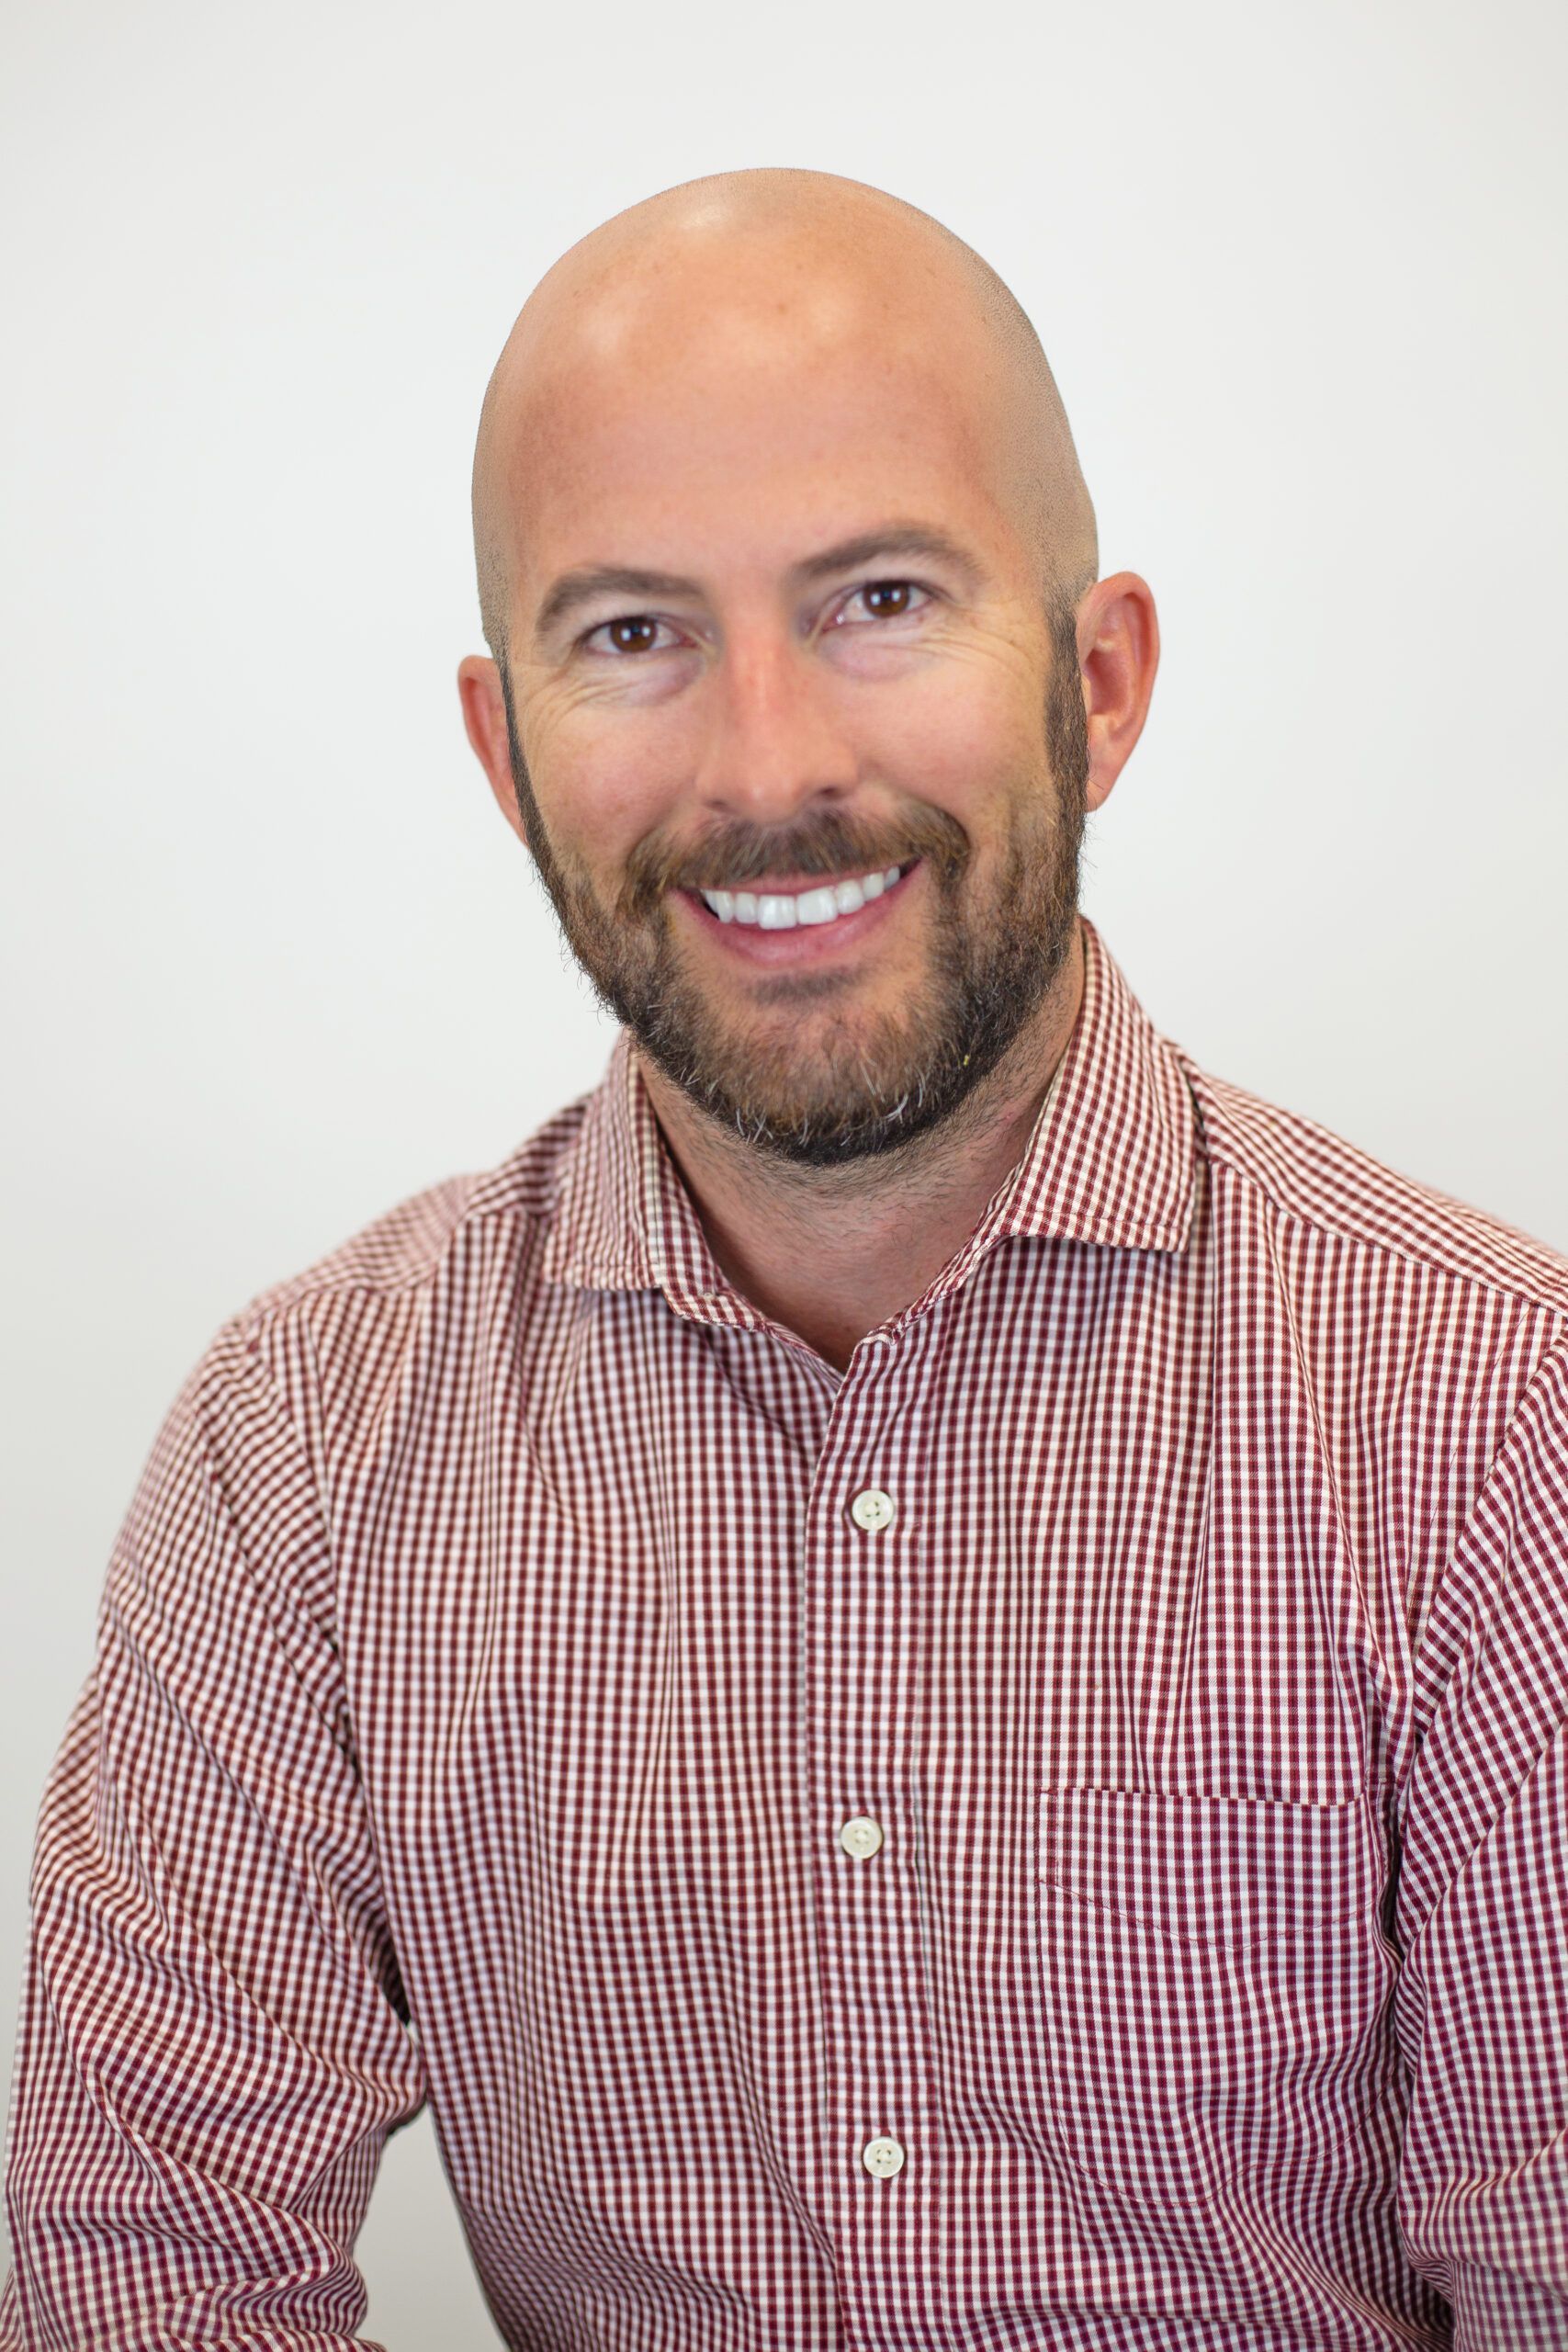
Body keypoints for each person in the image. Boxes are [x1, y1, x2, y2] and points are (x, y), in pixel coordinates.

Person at [3, 164, 1565, 2352]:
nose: (767, 764)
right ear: (503, 751)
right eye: (631, 632)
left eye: (879, 598)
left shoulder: (1494, 1422)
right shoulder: (298, 1452)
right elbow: (141, 2288)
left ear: (1097, 680)